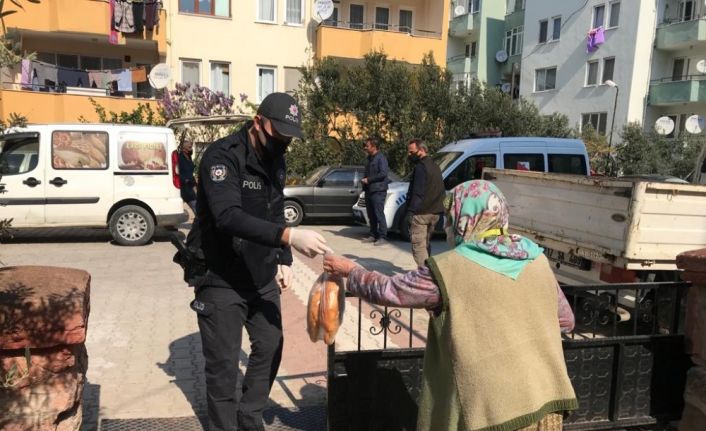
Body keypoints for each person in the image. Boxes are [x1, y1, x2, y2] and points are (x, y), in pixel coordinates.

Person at [324, 180, 578, 431]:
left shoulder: (447, 270)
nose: (446, 224)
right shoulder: (536, 258)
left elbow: (390, 291)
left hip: (494, 411)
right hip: (547, 400)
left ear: (464, 217)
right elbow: (566, 321)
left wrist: (352, 271)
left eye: (449, 216)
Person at [194, 92, 331, 431]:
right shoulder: (222, 157)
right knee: (223, 368)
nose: (281, 143)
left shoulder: (276, 159)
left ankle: (249, 416)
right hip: (221, 276)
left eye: (288, 138)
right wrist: (289, 237)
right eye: (277, 135)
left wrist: (283, 259)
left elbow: (273, 208)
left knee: (271, 345)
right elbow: (228, 216)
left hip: (261, 274)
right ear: (258, 123)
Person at [405, 139, 445, 267]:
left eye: (412, 152)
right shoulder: (435, 166)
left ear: (421, 150)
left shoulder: (421, 168)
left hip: (421, 213)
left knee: (418, 246)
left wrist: (410, 212)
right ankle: (429, 271)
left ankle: (425, 276)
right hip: (435, 212)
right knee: (426, 244)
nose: (409, 155)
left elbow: (418, 192)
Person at [361, 137, 390, 246]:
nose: (365, 148)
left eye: (367, 146)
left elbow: (383, 174)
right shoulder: (369, 158)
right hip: (369, 190)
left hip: (378, 190)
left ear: (374, 146)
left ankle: (383, 236)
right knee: (371, 214)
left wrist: (368, 179)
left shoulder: (381, 158)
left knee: (378, 213)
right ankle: (373, 234)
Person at [178, 141, 197, 214]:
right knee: (195, 206)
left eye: (191, 146)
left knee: (197, 205)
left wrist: (194, 183)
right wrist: (185, 180)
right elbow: (177, 172)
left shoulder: (189, 157)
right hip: (184, 186)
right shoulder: (180, 158)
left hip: (191, 185)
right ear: (184, 147)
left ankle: (199, 223)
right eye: (189, 146)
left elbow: (190, 171)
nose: (191, 146)